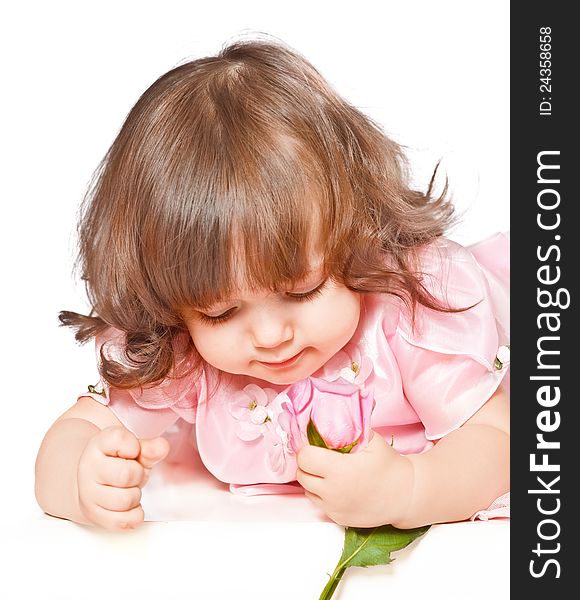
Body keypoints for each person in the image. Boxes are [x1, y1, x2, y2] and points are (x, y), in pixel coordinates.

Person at [34, 38, 510, 532]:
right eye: (219, 312)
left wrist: (410, 489)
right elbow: (77, 431)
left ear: (354, 234)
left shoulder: (412, 307)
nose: (270, 335)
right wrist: (83, 478)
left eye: (302, 290)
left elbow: (497, 443)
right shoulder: (182, 352)